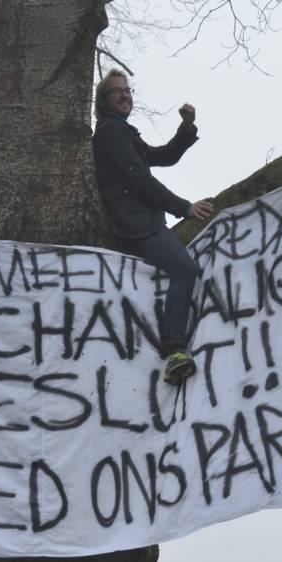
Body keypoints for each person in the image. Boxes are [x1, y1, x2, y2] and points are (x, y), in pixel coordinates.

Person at [91, 68, 214, 384]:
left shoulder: (122, 132)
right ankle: (174, 351)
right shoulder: (109, 133)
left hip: (144, 222)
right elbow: (140, 180)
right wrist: (185, 207)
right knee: (185, 270)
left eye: (128, 90)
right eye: (117, 91)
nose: (125, 95)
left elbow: (164, 156)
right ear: (103, 101)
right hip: (137, 225)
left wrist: (186, 128)